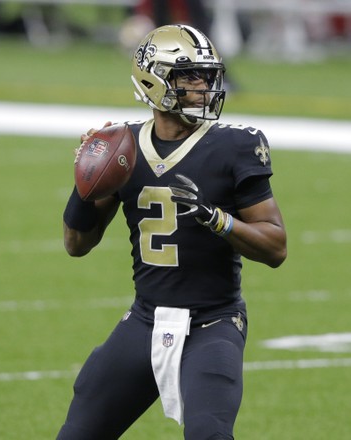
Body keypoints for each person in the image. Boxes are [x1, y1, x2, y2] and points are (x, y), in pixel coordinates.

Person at [57, 24, 287, 440]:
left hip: (213, 322)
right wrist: (85, 183)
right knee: (78, 433)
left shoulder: (235, 145)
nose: (204, 86)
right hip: (145, 319)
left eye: (207, 75)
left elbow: (275, 246)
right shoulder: (122, 146)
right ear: (154, 80)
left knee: (208, 434)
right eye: (190, 76)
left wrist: (214, 217)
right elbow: (77, 244)